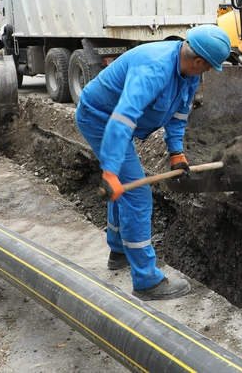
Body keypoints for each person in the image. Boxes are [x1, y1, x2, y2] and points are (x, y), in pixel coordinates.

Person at [75, 25, 231, 300]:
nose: (207, 73)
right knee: (137, 194)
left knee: (127, 185)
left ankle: (119, 251)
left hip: (120, 124)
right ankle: (147, 282)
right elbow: (121, 119)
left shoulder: (188, 74)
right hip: (100, 119)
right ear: (198, 61)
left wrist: (176, 153)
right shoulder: (154, 69)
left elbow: (179, 114)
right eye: (208, 68)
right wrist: (110, 170)